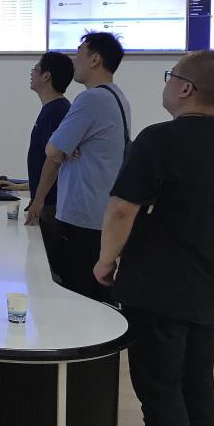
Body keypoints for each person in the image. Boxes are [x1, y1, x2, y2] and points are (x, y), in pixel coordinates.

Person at [94, 51, 214, 426]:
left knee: (161, 391)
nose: (167, 83)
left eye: (171, 76)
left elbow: (121, 209)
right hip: (211, 288)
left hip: (158, 290)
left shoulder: (159, 139)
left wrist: (106, 260)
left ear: (186, 87)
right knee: (197, 385)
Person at [26, 32, 130, 302]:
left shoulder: (91, 99)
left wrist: (61, 148)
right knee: (95, 296)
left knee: (75, 296)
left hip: (81, 219)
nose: (74, 61)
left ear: (95, 59)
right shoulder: (117, 97)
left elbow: (52, 150)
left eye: (79, 54)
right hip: (99, 216)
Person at [0, 51, 73, 276]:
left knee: (43, 270)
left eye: (36, 69)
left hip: (49, 206)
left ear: (46, 76)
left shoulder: (57, 111)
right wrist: (21, 186)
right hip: (45, 201)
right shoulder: (51, 109)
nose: (32, 73)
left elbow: (55, 162)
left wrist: (38, 200)